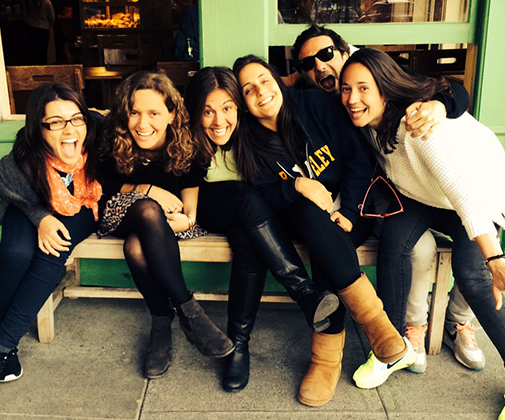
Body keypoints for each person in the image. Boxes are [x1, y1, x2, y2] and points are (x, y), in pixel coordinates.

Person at [339, 48, 505, 419]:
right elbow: (349, 57)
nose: (352, 98)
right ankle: (392, 348)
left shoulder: (417, 127)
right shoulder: (367, 121)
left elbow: (462, 192)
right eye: (345, 89)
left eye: (363, 88)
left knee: (474, 276)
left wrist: (494, 257)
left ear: (385, 88)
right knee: (396, 240)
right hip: (424, 195)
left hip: (477, 195)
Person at [289, 23, 484, 373]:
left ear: (344, 52)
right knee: (412, 247)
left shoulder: (383, 77)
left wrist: (439, 105)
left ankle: (457, 321)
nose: (318, 66)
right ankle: (404, 330)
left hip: (436, 187)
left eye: (326, 54)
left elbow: (455, 90)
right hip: (386, 198)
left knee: (477, 240)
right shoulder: (315, 98)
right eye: (307, 64)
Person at [233, 55, 415, 407]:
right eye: (248, 89)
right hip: (300, 216)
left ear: (278, 81)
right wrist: (297, 185)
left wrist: (347, 211)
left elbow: (357, 161)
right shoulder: (249, 139)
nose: (260, 91)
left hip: (351, 205)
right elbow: (266, 195)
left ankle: (327, 359)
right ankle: (376, 326)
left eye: (264, 80)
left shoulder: (313, 105)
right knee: (312, 218)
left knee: (325, 248)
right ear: (243, 102)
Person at [183, 67, 340, 392]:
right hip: (210, 206)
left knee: (248, 243)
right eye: (208, 111)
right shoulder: (190, 139)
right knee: (246, 197)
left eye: (227, 108)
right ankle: (305, 294)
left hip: (252, 220)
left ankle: (238, 346)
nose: (218, 120)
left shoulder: (253, 134)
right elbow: (189, 194)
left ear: (239, 107)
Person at [0, 83, 103, 403]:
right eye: (55, 122)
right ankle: (5, 344)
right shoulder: (25, 153)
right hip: (31, 203)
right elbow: (5, 173)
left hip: (84, 204)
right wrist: (40, 216)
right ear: (39, 128)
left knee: (54, 249)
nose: (69, 129)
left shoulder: (98, 131)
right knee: (16, 252)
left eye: (76, 118)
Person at [97, 71, 234, 379]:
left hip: (167, 224)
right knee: (147, 210)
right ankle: (191, 313)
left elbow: (190, 199)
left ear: (171, 114)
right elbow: (106, 190)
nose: (142, 123)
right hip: (121, 212)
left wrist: (188, 219)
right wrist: (148, 190)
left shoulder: (187, 144)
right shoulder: (112, 138)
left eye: (154, 113)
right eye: (134, 112)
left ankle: (161, 323)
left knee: (136, 247)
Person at [23, 0, 55, 65]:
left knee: (33, 53)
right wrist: (49, 25)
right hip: (44, 29)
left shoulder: (29, 2)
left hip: (31, 28)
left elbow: (24, 15)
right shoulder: (47, 2)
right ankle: (43, 68)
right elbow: (52, 17)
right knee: (43, 52)